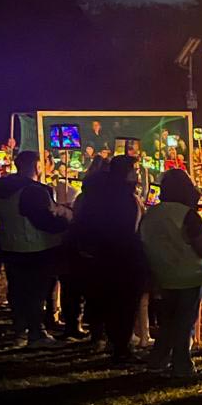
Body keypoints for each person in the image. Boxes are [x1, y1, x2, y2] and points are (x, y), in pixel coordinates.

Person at [139, 169, 202, 379]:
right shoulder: (187, 215)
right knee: (184, 322)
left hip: (162, 273)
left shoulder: (151, 214)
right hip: (189, 274)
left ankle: (158, 360)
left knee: (168, 322)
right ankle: (182, 365)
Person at [69, 153, 146, 360]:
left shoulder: (98, 194)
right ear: (127, 173)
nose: (138, 173)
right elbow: (131, 228)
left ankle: (109, 339)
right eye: (135, 170)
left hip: (100, 254)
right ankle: (121, 346)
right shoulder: (126, 198)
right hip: (123, 256)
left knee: (107, 300)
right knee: (124, 303)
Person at [0, 150, 71, 347]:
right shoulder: (34, 191)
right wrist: (66, 221)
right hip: (37, 248)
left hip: (10, 247)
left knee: (17, 291)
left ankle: (20, 330)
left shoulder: (2, 190)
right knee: (36, 293)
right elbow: (45, 221)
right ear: (37, 166)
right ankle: (37, 333)